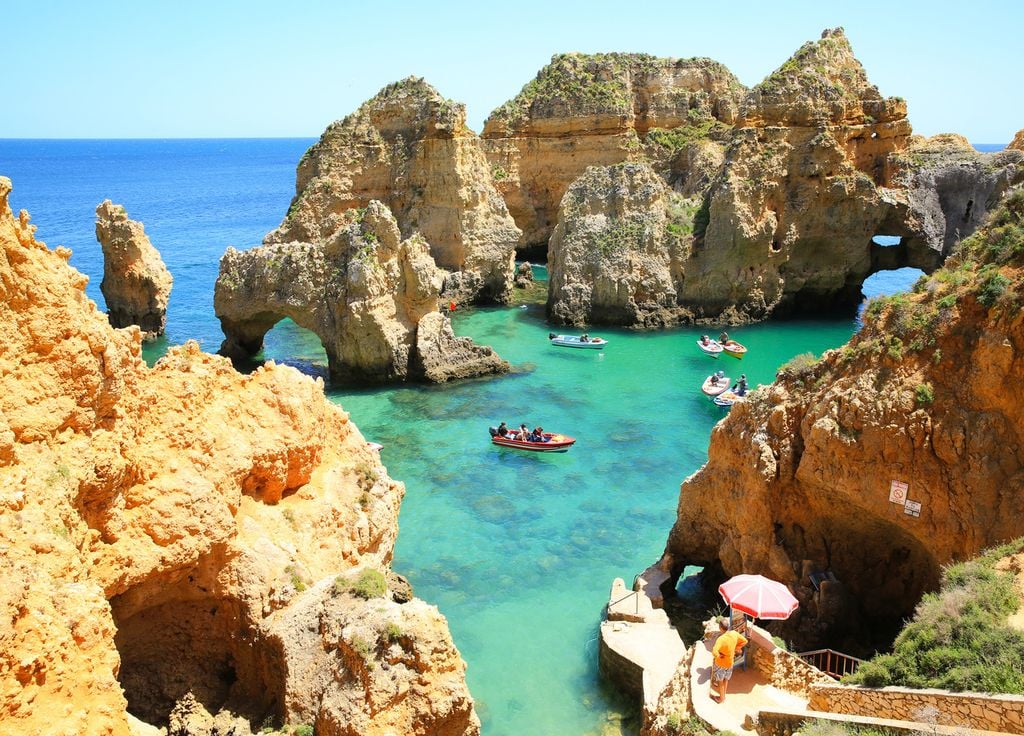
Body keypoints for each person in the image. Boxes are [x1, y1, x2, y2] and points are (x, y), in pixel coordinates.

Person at [710, 617, 747, 702]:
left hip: (721, 663)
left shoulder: (721, 639)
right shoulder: (734, 633)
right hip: (730, 662)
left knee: (720, 681)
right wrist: (736, 648)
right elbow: (745, 641)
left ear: (720, 628)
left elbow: (714, 652)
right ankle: (724, 696)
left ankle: (721, 698)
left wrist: (719, 656)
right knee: (726, 679)